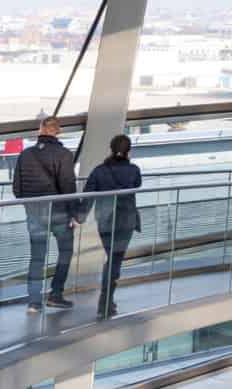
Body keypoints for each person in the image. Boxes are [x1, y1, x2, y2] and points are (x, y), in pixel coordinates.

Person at [12, 117, 79, 312]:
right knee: (65, 252)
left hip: (34, 213)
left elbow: (17, 189)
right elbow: (68, 187)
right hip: (59, 213)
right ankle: (55, 294)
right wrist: (74, 213)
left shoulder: (25, 155)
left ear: (40, 129)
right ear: (58, 131)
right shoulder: (64, 155)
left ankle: (34, 302)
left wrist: (31, 206)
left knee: (37, 258)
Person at [82, 134, 143, 318]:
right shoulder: (133, 170)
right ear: (128, 151)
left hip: (105, 220)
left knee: (112, 257)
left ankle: (107, 301)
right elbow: (137, 184)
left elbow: (88, 194)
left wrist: (79, 217)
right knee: (115, 260)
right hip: (126, 221)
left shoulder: (99, 170)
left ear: (110, 148)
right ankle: (105, 302)